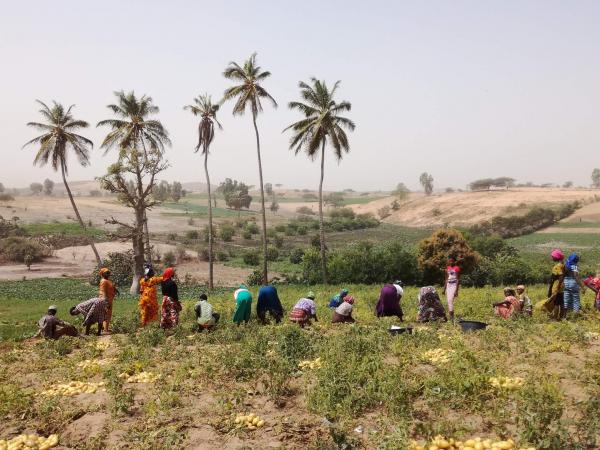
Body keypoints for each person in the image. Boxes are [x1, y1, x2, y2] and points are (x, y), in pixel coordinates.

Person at [545, 249, 566, 319]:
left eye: (553, 256)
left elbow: (560, 276)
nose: (552, 258)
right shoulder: (563, 265)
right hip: (562, 287)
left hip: (557, 286)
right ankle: (561, 317)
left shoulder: (557, 266)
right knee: (561, 302)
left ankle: (555, 318)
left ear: (556, 257)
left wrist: (557, 287)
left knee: (556, 303)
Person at [98, 268, 118, 333]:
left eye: (109, 272)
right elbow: (102, 291)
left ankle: (106, 328)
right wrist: (106, 301)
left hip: (109, 299)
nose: (108, 274)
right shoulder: (103, 281)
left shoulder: (107, 280)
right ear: (103, 274)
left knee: (108, 314)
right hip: (105, 300)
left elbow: (111, 287)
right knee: (106, 314)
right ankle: (105, 330)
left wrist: (115, 290)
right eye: (107, 272)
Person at [443, 257, 461, 322]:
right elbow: (446, 279)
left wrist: (456, 290)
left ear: (454, 261)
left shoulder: (457, 268)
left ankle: (451, 317)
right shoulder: (447, 268)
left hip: (454, 285)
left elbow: (458, 279)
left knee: (450, 300)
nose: (451, 262)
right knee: (448, 301)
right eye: (449, 261)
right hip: (448, 285)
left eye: (452, 261)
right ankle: (451, 316)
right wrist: (444, 289)